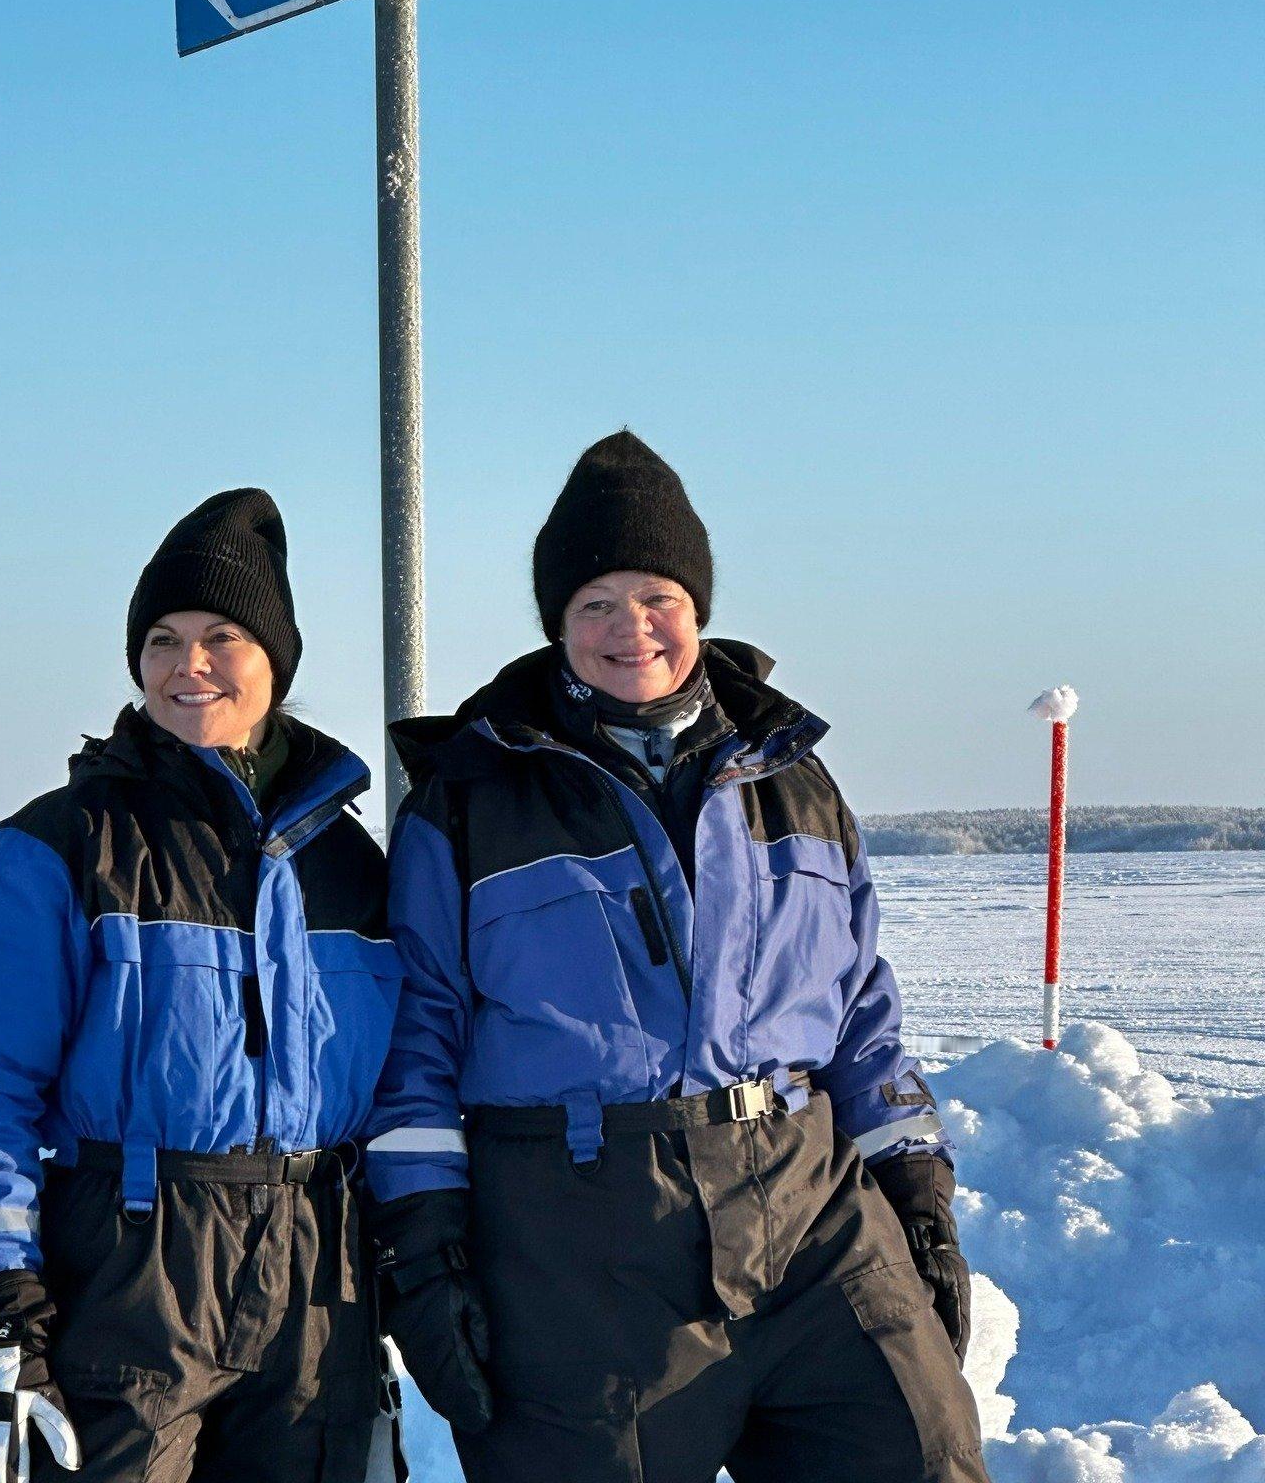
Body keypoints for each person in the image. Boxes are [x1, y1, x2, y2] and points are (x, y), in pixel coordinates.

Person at [363, 433, 988, 1483]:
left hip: (806, 1209)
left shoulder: (792, 778)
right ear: (557, 626)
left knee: (924, 1454)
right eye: (593, 604)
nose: (629, 628)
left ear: (696, 607)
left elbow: (861, 1006)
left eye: (655, 595)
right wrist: (425, 1249)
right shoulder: (475, 796)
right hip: (577, 1239)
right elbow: (417, 1033)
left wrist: (914, 1185)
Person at [0, 489, 406, 1483]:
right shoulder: (62, 843)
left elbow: (400, 1084)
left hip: (321, 1279)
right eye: (162, 640)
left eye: (221, 636)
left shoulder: (351, 862)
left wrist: (412, 1264)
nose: (188, 667)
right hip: (131, 1271)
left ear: (277, 658)